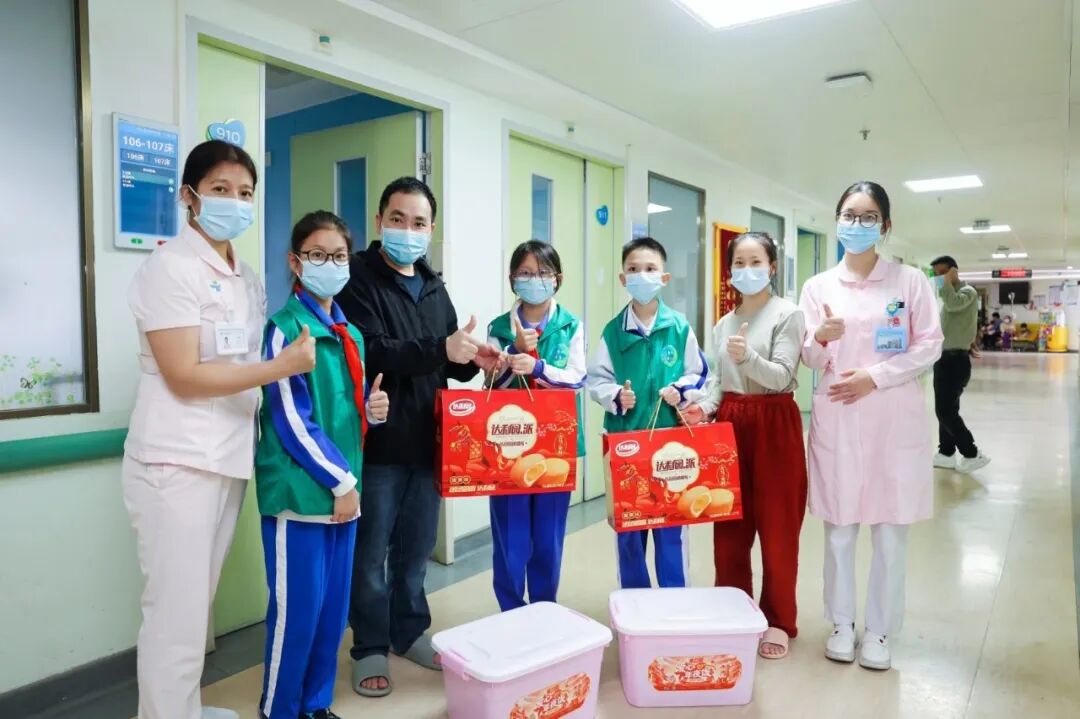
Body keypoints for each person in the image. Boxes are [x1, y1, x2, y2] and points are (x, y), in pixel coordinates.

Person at [123, 140, 315, 719]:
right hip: (177, 460)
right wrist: (281, 368)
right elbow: (183, 374)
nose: (235, 201)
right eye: (221, 189)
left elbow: (241, 360)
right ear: (190, 195)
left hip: (226, 456)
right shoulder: (169, 268)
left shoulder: (245, 276)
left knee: (195, 605)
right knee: (174, 615)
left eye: (245, 192)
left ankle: (182, 709)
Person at [337, 177, 500, 697]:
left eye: (419, 223)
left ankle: (408, 631)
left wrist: (474, 360)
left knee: (415, 549)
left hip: (431, 443)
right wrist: (440, 349)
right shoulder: (357, 278)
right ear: (379, 221)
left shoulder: (433, 285)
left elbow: (445, 358)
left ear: (431, 230)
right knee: (371, 553)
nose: (408, 230)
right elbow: (371, 351)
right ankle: (369, 645)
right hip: (380, 443)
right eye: (398, 219)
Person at [798, 181, 942, 671]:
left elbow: (929, 344)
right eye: (848, 215)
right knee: (839, 527)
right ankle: (841, 623)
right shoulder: (818, 287)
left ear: (885, 225)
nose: (856, 224)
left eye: (868, 216)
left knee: (889, 529)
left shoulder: (909, 281)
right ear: (836, 220)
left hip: (892, 415)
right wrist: (820, 337)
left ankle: (879, 629)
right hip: (839, 413)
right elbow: (809, 357)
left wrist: (875, 377)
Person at [255, 212, 390, 719]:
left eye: (338, 256)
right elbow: (291, 419)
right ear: (295, 262)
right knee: (297, 616)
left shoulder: (348, 332)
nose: (329, 264)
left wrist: (372, 413)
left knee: (332, 614)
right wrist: (341, 481)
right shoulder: (286, 330)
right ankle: (279, 710)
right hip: (302, 495)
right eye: (317, 255)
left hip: (343, 495)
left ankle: (315, 706)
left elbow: (344, 411)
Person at [686, 232, 808, 660]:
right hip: (731, 424)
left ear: (772, 267)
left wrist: (747, 359)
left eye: (756, 262)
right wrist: (703, 409)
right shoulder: (723, 323)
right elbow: (718, 383)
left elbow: (783, 376)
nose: (747, 270)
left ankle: (778, 620)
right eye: (739, 263)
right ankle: (734, 612)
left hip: (774, 421)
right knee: (729, 529)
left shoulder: (788, 314)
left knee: (778, 530)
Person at [587, 237, 708, 589]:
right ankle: (634, 601)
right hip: (625, 444)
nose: (642, 275)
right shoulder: (612, 332)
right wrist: (615, 396)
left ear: (664, 278)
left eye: (650, 269)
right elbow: (596, 379)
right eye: (634, 269)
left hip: (670, 445)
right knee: (629, 531)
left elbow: (699, 372)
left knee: (671, 528)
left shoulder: (679, 327)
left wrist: (681, 390)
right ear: (622, 279)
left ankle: (673, 600)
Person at [485, 241, 586, 611]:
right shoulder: (499, 327)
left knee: (548, 535)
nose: (534, 280)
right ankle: (511, 609)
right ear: (512, 278)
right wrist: (512, 353)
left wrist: (539, 367)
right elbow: (490, 386)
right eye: (525, 273)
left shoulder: (570, 325)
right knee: (511, 537)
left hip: (555, 446)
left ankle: (545, 607)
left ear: (557, 278)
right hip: (508, 446)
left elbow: (577, 378)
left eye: (543, 272)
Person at [930, 256, 990, 474]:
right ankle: (946, 453)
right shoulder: (947, 295)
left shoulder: (968, 292)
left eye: (942, 272)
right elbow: (955, 324)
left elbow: (954, 304)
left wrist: (945, 283)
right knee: (946, 408)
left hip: (955, 361)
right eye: (936, 274)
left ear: (954, 271)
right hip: (944, 358)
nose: (939, 277)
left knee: (945, 410)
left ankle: (972, 453)